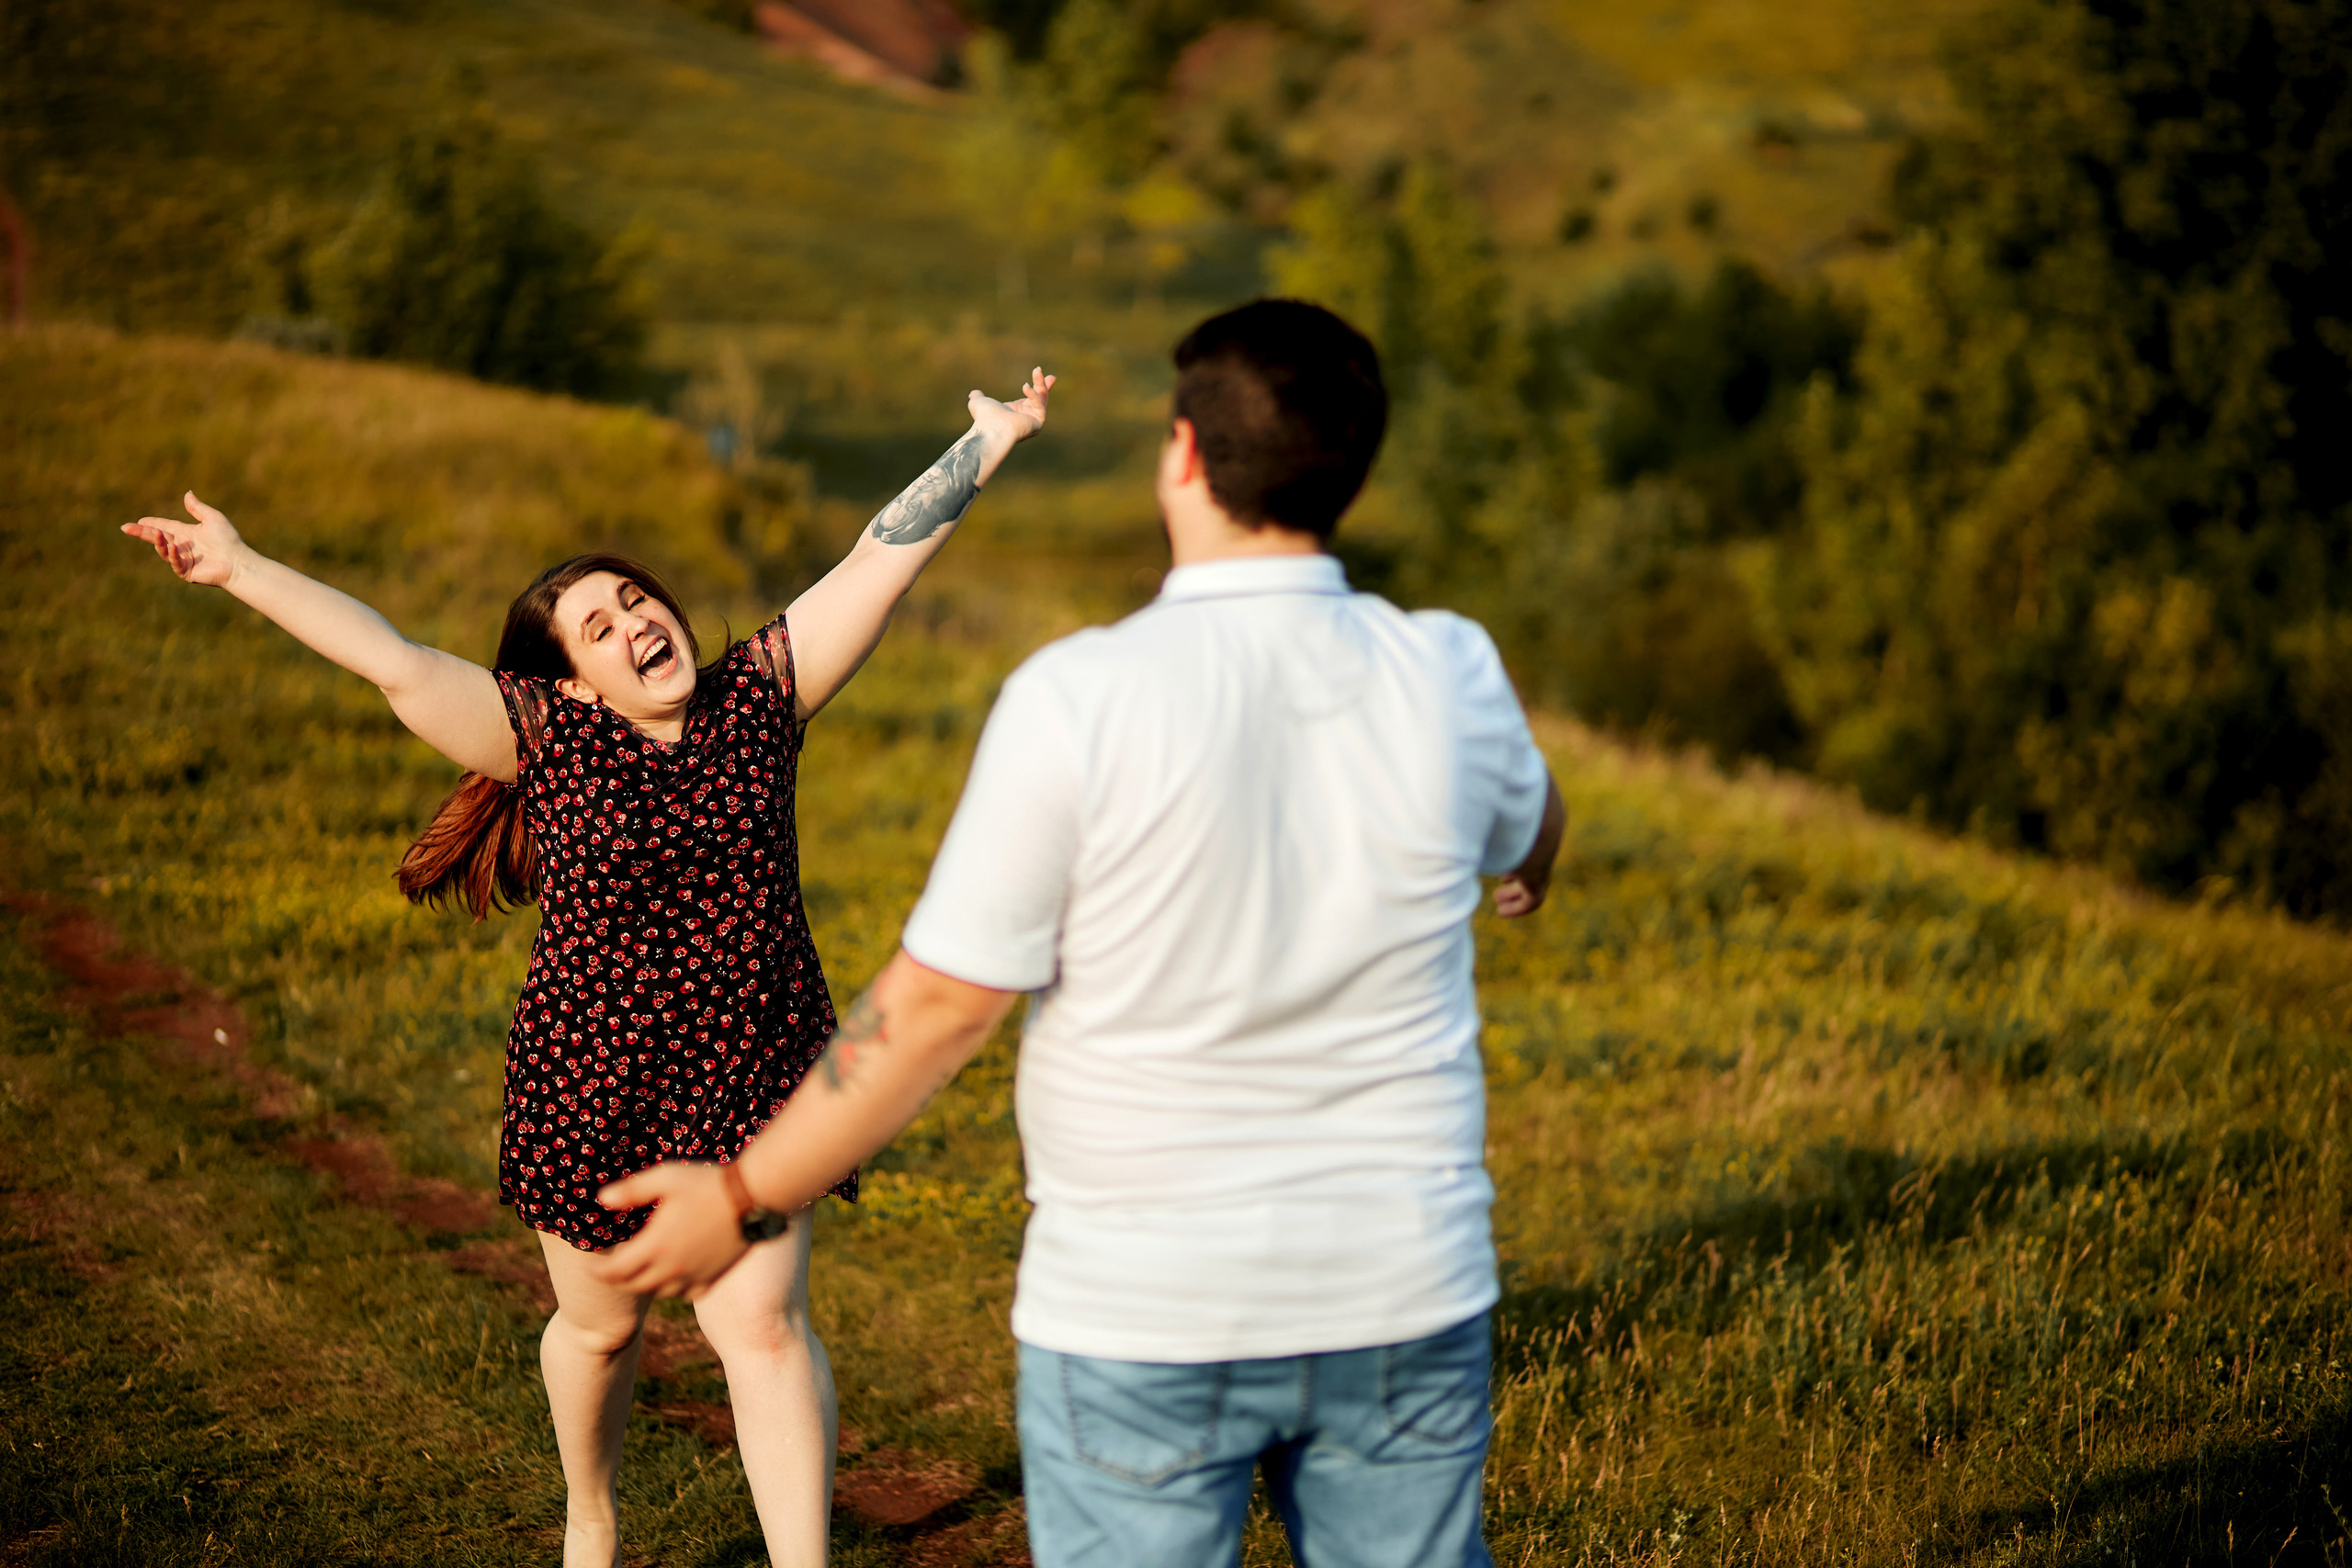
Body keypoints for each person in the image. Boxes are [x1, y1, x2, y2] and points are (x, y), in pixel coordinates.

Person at [594, 299, 1565, 1568]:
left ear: (1183, 455)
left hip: (1144, 1304)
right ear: (1351, 473)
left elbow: (940, 1008)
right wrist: (1524, 873)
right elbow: (1533, 820)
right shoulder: (1450, 668)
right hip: (1403, 1293)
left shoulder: (1080, 696)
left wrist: (740, 1192)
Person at [119, 367, 1055, 1568]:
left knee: (763, 1326)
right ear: (567, 679)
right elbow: (395, 660)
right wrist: (242, 568)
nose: (634, 624)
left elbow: (882, 554)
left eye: (635, 600)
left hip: (754, 1077)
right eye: (598, 629)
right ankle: (592, 1516)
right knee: (601, 1329)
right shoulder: (546, 741)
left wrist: (992, 440)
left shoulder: (761, 698)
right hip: (591, 1085)